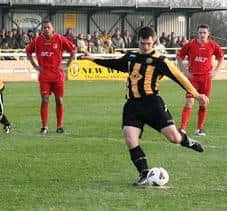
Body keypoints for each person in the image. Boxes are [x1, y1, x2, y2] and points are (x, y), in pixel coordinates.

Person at [82, 26, 209, 186]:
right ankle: (143, 173)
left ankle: (187, 141)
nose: (145, 47)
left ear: (154, 41)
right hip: (132, 105)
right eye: (143, 43)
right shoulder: (131, 57)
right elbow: (113, 63)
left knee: (174, 138)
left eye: (148, 43)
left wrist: (196, 95)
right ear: (138, 41)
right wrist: (92, 58)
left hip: (152, 104)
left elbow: (179, 77)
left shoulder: (160, 61)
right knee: (130, 137)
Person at [26, 20, 76, 134]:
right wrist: (35, 66)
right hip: (44, 76)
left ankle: (59, 126)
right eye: (44, 28)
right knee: (44, 99)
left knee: (59, 100)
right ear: (42, 29)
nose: (46, 29)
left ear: (53, 29)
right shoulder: (37, 41)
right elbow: (28, 52)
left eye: (48, 27)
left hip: (58, 76)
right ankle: (44, 126)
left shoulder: (59, 39)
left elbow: (73, 50)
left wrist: (67, 65)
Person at [176, 24, 224, 136]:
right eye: (200, 32)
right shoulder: (190, 44)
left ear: (208, 34)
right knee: (189, 102)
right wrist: (184, 71)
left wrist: (216, 71)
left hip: (206, 79)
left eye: (204, 33)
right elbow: (179, 56)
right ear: (197, 33)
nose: (202, 35)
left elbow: (221, 56)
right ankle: (182, 128)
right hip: (193, 79)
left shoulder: (212, 45)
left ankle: (199, 128)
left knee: (203, 103)